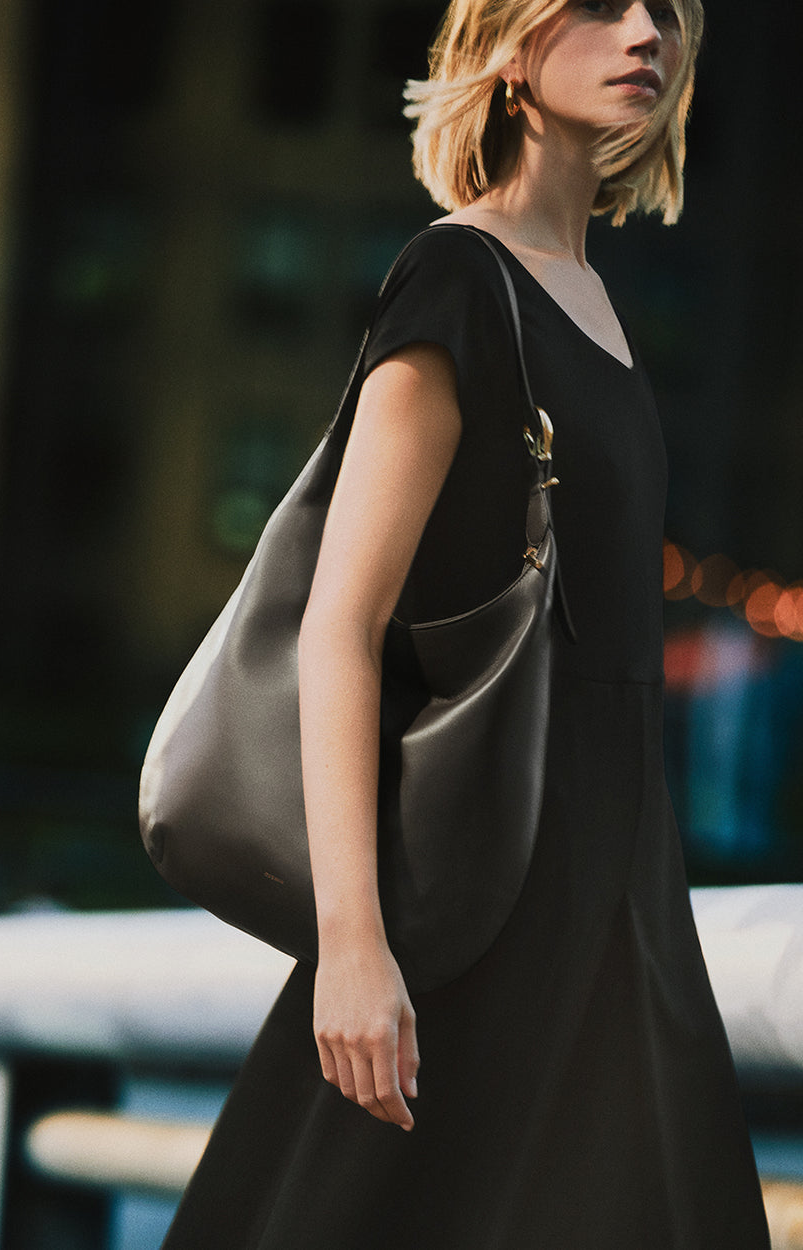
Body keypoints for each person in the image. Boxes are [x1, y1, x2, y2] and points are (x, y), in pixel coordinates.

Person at [163, 0, 773, 1244]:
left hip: (620, 891)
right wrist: (350, 946)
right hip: (478, 900)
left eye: (665, 9)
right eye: (602, 5)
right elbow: (343, 620)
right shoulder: (456, 277)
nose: (647, 31)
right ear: (507, 40)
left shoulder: (596, 297)